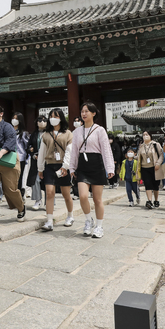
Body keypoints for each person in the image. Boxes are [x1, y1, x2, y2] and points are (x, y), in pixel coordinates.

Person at [69, 102, 114, 238]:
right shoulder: (76, 132)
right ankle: (88, 220)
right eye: (82, 111)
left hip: (96, 165)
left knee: (97, 199)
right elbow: (74, 152)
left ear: (94, 113)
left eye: (87, 111)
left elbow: (106, 151)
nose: (84, 114)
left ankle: (99, 226)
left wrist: (110, 168)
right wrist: (72, 167)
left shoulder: (100, 130)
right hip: (83, 166)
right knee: (82, 196)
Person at [38, 108, 74, 231]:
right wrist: (40, 168)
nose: (53, 118)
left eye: (56, 116)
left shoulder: (68, 133)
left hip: (62, 166)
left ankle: (70, 215)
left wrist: (65, 166)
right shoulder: (45, 134)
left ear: (61, 118)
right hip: (49, 166)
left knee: (66, 194)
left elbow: (69, 151)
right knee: (49, 193)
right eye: (51, 116)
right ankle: (49, 220)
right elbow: (41, 152)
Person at [137, 130, 164, 209]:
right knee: (147, 184)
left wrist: (158, 163)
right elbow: (139, 157)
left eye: (147, 134)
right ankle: (149, 201)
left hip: (155, 167)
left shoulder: (156, 144)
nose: (145, 136)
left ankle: (156, 200)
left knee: (156, 185)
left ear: (150, 135)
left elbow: (161, 155)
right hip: (144, 167)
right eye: (144, 134)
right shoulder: (141, 146)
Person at [27, 115, 47, 210]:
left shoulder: (50, 133)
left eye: (44, 120)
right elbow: (28, 145)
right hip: (35, 159)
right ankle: (38, 200)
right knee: (35, 180)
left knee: (48, 181)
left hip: (47, 161)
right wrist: (31, 150)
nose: (41, 122)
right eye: (39, 120)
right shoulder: (34, 134)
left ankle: (49, 202)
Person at [12, 112, 30, 199]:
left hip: (20, 157)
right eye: (13, 118)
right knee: (11, 178)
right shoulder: (9, 131)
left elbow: (27, 146)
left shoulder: (23, 133)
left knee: (19, 177)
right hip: (10, 157)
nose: (14, 120)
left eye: (16, 119)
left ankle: (19, 194)